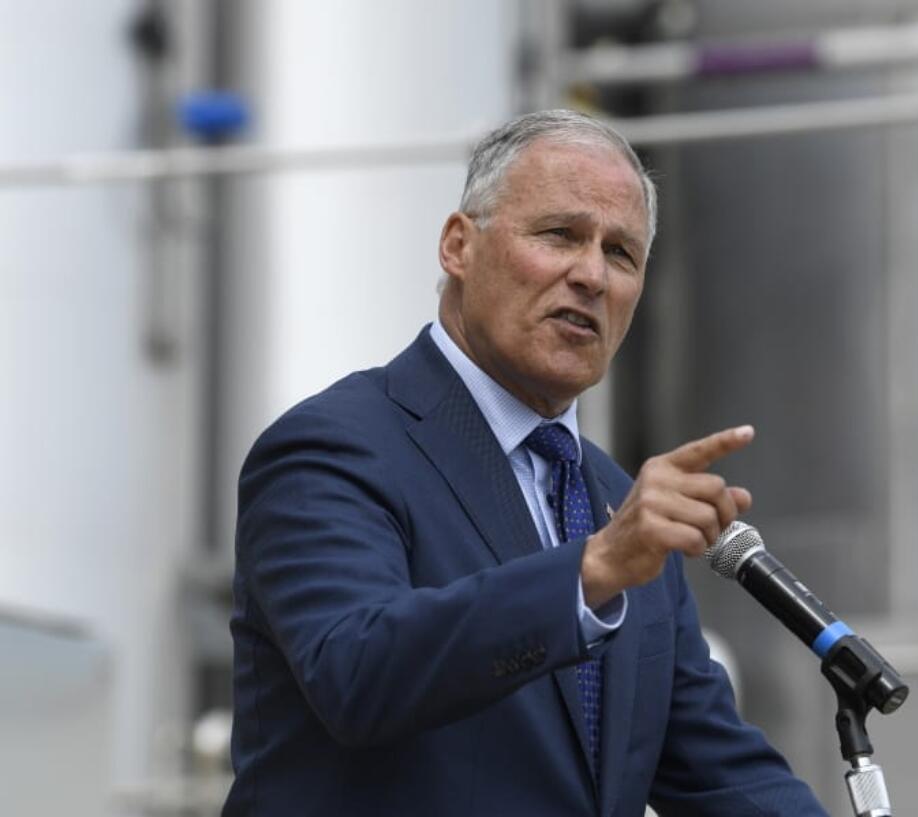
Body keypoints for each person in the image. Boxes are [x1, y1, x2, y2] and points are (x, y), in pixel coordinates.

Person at [223, 109, 829, 817]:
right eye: (560, 235)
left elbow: (719, 770)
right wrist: (593, 570)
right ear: (458, 245)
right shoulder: (335, 447)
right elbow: (358, 671)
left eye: (622, 253)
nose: (592, 274)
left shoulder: (616, 501)